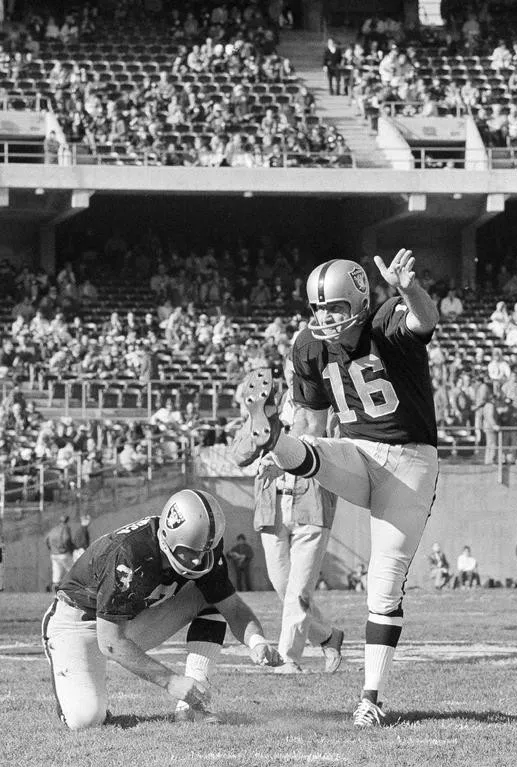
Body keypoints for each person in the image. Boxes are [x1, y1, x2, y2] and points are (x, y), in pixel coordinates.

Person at [230, 249, 440, 727]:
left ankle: (371, 697)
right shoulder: (309, 346)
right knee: (308, 446)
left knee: (383, 586)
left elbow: (424, 321)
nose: (325, 317)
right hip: (359, 451)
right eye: (319, 308)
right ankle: (271, 438)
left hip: (409, 463)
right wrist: (284, 460)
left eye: (336, 308)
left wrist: (408, 288)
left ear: (361, 303)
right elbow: (314, 417)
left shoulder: (387, 321)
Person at [41, 489, 283, 730]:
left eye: (203, 552)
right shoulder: (129, 553)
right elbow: (111, 641)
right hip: (79, 624)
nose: (198, 561)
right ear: (168, 537)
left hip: (128, 622)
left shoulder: (204, 547)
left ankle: (190, 707)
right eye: (190, 552)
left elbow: (232, 606)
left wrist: (257, 641)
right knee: (85, 719)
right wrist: (172, 681)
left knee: (212, 597)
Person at [254, 353, 344, 674]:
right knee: (282, 585)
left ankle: (289, 658)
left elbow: (335, 452)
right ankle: (329, 637)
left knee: (298, 589)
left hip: (312, 499)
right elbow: (250, 444)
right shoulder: (271, 400)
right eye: (295, 362)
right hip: (272, 501)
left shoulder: (334, 406)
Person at [45, 513, 74, 591]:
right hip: (63, 553)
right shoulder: (65, 528)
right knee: (73, 572)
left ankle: (55, 593)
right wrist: (70, 549)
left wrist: (51, 549)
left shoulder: (54, 528)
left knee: (56, 576)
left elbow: (46, 539)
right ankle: (74, 590)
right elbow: (66, 539)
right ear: (67, 521)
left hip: (54, 554)